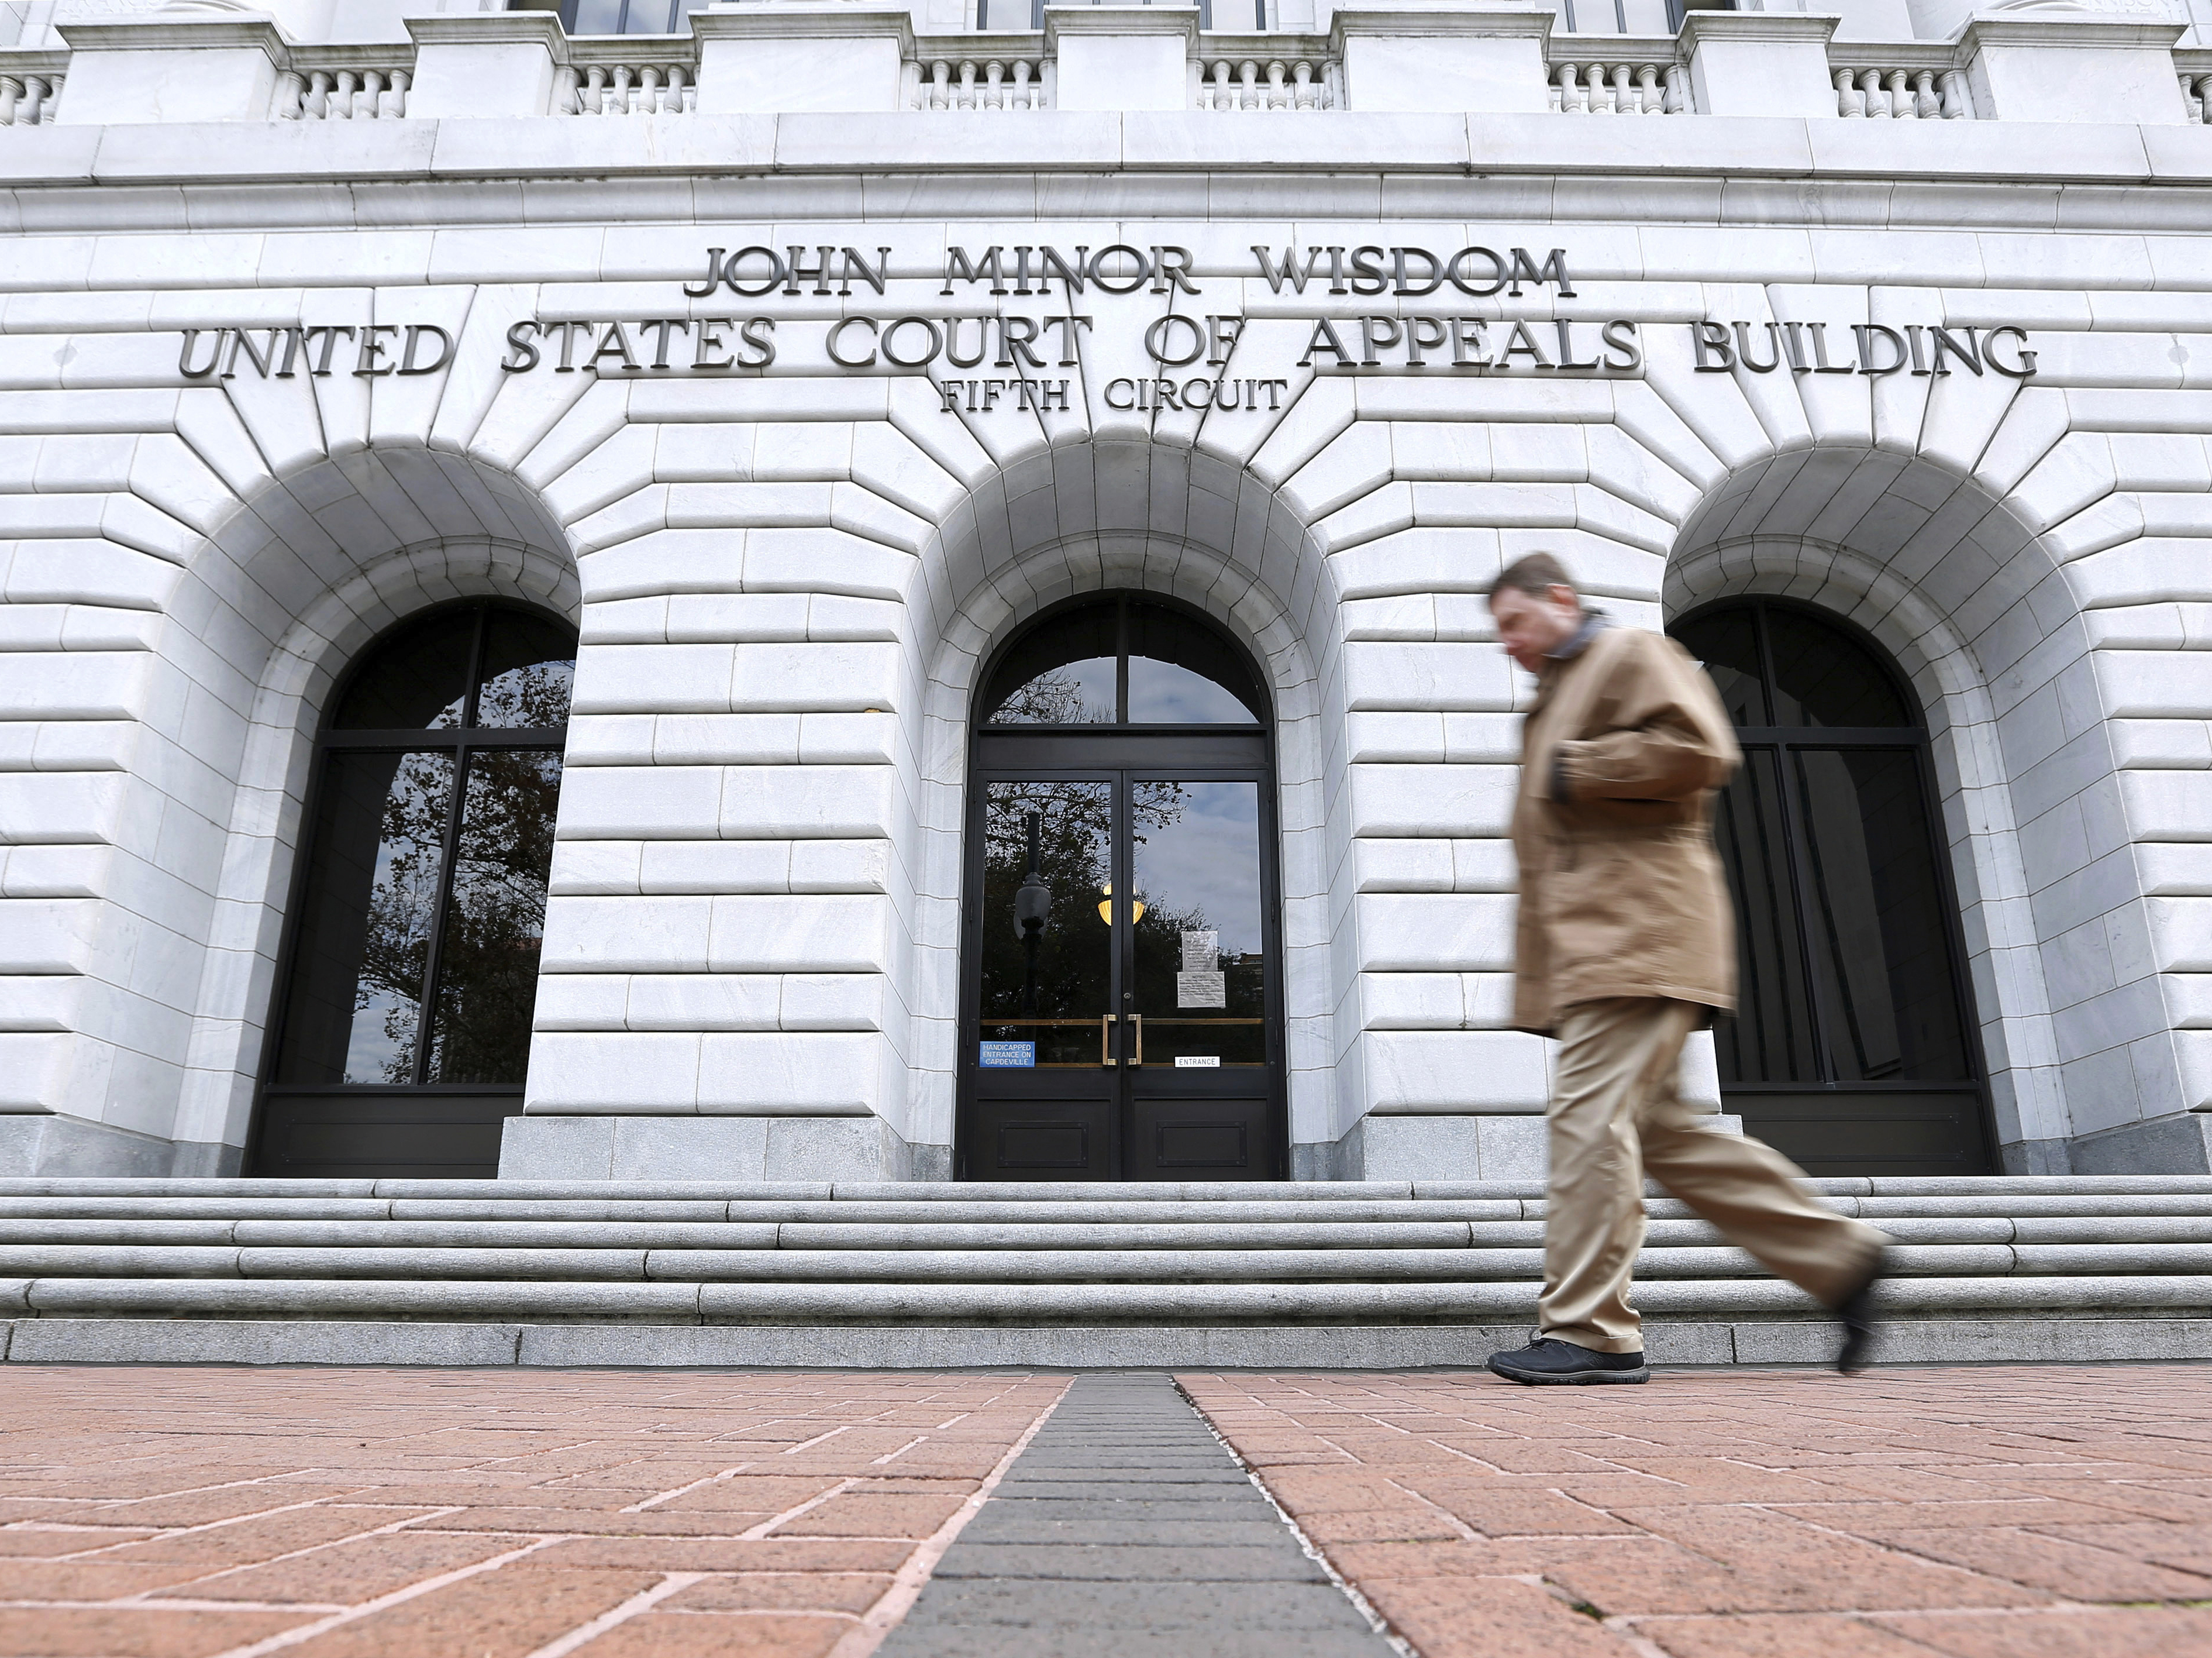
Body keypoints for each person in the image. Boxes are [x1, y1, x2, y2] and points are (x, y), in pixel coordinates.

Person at [1481, 553, 1888, 1384]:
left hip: (1638, 937)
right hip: (1607, 945)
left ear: (1560, 598)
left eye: (1514, 623)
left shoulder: (1628, 654)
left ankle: (1593, 1331)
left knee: (1587, 1122)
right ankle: (1841, 1257)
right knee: (1668, 1139)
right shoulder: (1559, 692)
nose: (1507, 644)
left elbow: (1698, 747)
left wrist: (1575, 768)